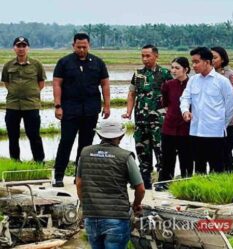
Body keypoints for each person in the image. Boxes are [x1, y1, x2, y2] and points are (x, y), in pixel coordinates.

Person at [53, 33, 111, 187]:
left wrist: (107, 105)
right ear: (73, 45)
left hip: (91, 110)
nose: (81, 49)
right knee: (66, 141)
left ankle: (80, 176)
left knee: (86, 145)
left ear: (89, 46)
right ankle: (58, 175)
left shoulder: (98, 63)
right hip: (69, 109)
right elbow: (57, 84)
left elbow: (105, 84)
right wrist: (57, 106)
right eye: (78, 46)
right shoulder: (64, 62)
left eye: (84, 46)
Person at [76, 120, 145, 249]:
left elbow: (79, 184)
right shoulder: (125, 156)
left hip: (91, 217)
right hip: (117, 218)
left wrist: (86, 205)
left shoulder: (85, 153)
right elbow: (140, 188)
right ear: (121, 136)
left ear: (99, 135)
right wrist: (136, 205)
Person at [123, 44, 172, 189]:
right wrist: (128, 111)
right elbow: (132, 93)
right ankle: (144, 181)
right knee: (142, 150)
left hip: (159, 120)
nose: (145, 59)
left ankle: (163, 182)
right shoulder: (138, 74)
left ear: (156, 56)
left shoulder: (165, 73)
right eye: (142, 56)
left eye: (148, 56)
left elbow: (172, 95)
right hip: (141, 119)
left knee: (161, 150)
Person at [180, 47, 233, 174]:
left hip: (215, 133)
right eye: (192, 62)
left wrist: (221, 124)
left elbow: (230, 106)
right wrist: (185, 111)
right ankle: (200, 193)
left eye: (196, 62)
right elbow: (185, 97)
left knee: (217, 168)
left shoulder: (222, 81)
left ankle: (217, 193)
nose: (193, 66)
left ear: (207, 62)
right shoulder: (193, 80)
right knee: (199, 167)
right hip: (196, 131)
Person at [1, 36, 45, 163]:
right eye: (18, 46)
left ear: (28, 48)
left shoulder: (36, 65)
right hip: (12, 105)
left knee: (34, 135)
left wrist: (31, 93)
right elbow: (7, 83)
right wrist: (16, 92)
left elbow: (41, 83)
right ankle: (15, 161)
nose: (21, 49)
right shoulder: (8, 65)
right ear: (14, 48)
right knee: (13, 136)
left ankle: (39, 161)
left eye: (23, 46)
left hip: (31, 105)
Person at [157, 57, 193, 187]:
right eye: (172, 67)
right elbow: (165, 104)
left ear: (186, 70)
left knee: (186, 158)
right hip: (169, 126)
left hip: (187, 126)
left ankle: (186, 183)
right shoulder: (168, 85)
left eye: (177, 68)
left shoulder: (192, 84)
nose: (173, 70)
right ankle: (164, 182)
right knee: (167, 157)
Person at [211, 46, 233, 172]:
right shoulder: (206, 74)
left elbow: (232, 100)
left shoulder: (230, 75)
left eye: (215, 57)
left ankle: (228, 181)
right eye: (210, 57)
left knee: (226, 153)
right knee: (212, 154)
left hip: (227, 121)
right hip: (210, 121)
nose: (212, 60)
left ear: (223, 59)